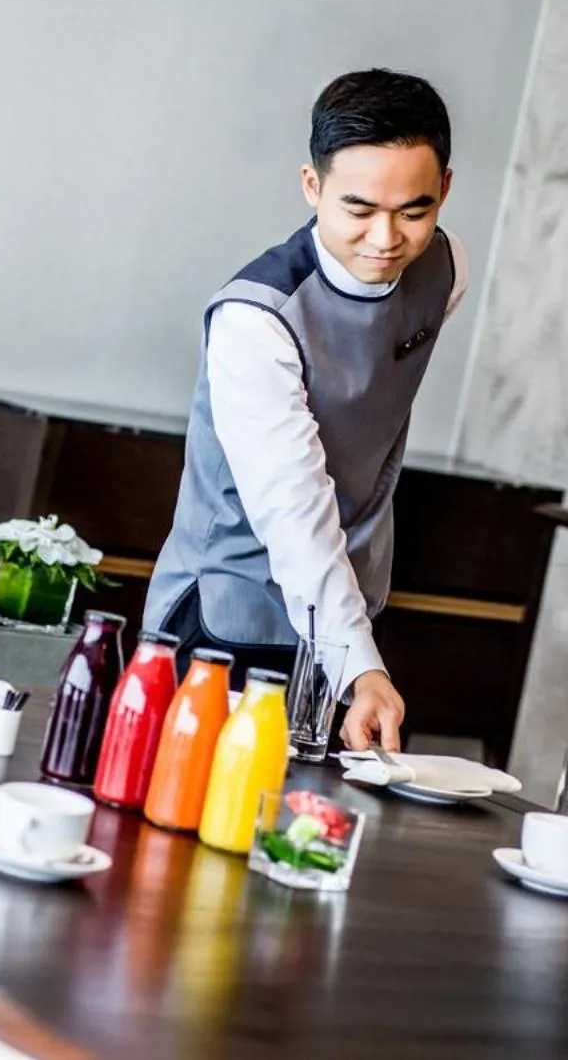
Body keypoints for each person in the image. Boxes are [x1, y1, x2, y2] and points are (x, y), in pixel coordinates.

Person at [143, 69, 468, 752]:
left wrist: (352, 656)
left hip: (340, 613)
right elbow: (293, 508)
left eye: (413, 210)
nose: (386, 237)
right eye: (358, 208)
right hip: (225, 620)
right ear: (311, 186)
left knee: (305, 838)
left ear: (444, 188)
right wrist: (361, 665)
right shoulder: (255, 320)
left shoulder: (445, 269)